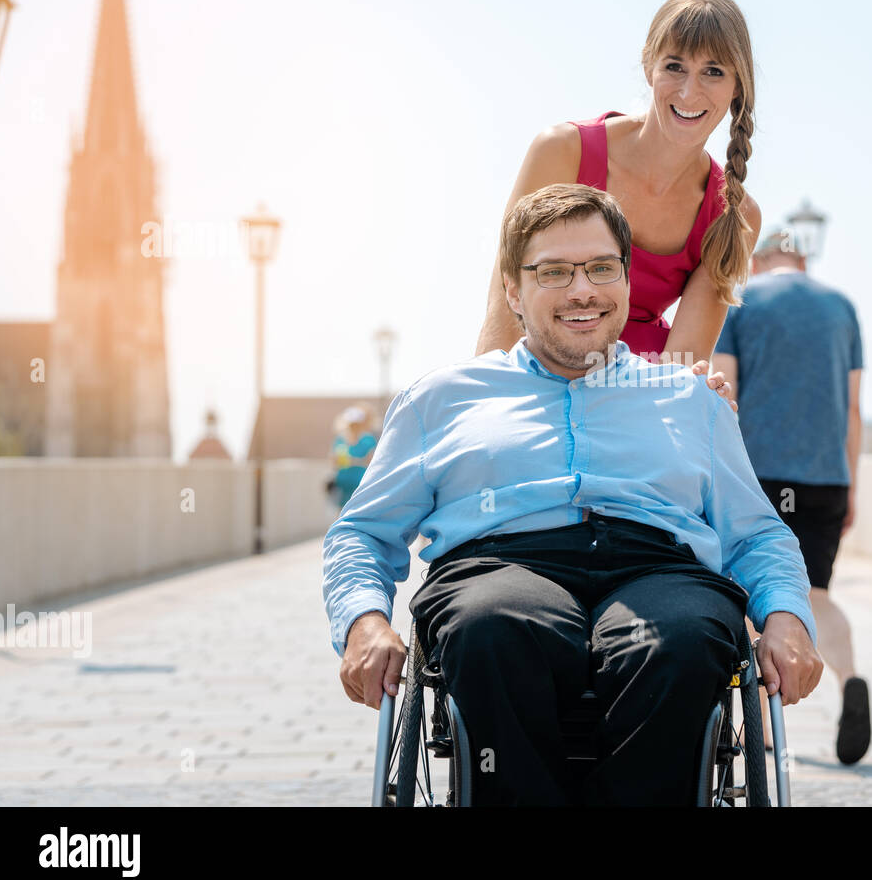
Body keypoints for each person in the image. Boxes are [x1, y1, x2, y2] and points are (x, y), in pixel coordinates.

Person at [323, 184, 822, 806]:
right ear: (513, 290)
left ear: (627, 281)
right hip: (500, 565)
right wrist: (363, 621)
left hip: (660, 566)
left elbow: (757, 534)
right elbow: (361, 532)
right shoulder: (442, 400)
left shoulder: (693, 400)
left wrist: (787, 616)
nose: (582, 290)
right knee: (497, 627)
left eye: (600, 269)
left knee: (681, 641)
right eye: (553, 272)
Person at [474, 0, 764, 372]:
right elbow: (507, 296)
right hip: (541, 371)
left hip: (641, 387)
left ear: (737, 86)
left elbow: (682, 364)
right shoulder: (562, 151)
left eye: (713, 72)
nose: (689, 91)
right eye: (674, 66)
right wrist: (492, 402)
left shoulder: (734, 212)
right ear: (649, 67)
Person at [713, 230, 870, 765]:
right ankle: (851, 681)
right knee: (817, 592)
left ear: (758, 259)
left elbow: (724, 395)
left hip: (762, 473)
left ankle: (763, 729)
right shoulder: (842, 306)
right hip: (827, 476)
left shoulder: (742, 300)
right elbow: (853, 409)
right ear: (802, 258)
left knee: (762, 590)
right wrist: (850, 482)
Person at [330, 405, 377, 509]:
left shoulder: (367, 439)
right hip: (343, 481)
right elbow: (334, 461)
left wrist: (353, 461)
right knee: (342, 509)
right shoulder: (341, 439)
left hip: (360, 481)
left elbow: (372, 461)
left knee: (359, 508)